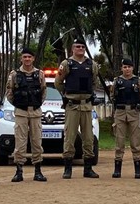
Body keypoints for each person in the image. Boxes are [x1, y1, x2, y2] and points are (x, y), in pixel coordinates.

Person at [54, 37, 100, 179]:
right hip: (72, 106)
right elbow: (58, 82)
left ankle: (88, 168)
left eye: (82, 47)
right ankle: (68, 169)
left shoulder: (91, 64)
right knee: (69, 137)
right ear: (72, 48)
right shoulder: (66, 64)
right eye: (77, 47)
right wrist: (67, 94)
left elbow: (94, 82)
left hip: (86, 105)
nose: (80, 49)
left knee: (88, 138)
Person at [6, 47, 47, 182]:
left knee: (37, 141)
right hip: (21, 112)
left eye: (29, 57)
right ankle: (19, 171)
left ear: (33, 58)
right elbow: (9, 93)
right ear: (21, 58)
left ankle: (38, 171)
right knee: (20, 142)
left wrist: (36, 104)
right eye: (25, 57)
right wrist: (19, 104)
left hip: (35, 111)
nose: (27, 59)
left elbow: (43, 92)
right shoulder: (14, 74)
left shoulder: (40, 74)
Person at [110, 58, 140, 179]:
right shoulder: (117, 81)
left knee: (135, 141)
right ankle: (117, 169)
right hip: (120, 112)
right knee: (119, 142)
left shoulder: (138, 80)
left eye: (129, 67)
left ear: (132, 68)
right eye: (125, 67)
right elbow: (112, 95)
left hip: (134, 112)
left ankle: (138, 170)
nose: (127, 69)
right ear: (121, 68)